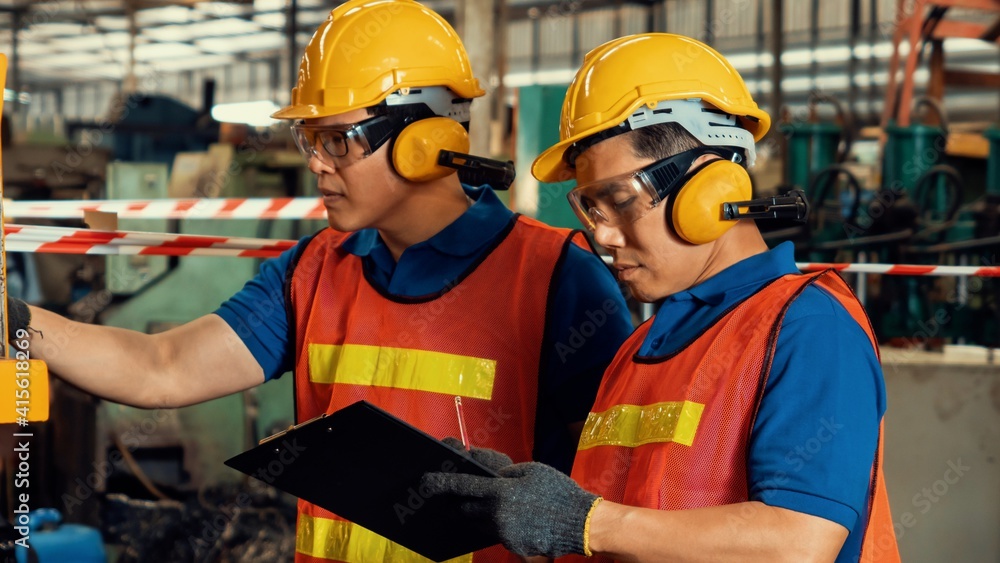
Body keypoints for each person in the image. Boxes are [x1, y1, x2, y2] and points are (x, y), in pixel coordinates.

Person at [7, 2, 633, 562]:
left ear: (425, 140)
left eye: (338, 140)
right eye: (310, 138)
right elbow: (162, 367)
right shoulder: (314, 271)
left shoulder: (557, 279)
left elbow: (614, 494)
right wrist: (18, 323)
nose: (315, 162)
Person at [422, 33, 901, 563]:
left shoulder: (807, 325)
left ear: (710, 186)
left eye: (621, 202)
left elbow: (797, 541)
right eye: (591, 209)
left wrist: (582, 519)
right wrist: (516, 500)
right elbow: (623, 528)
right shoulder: (641, 347)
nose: (602, 235)